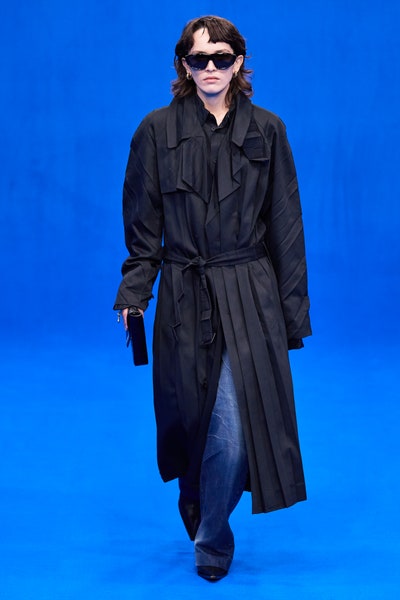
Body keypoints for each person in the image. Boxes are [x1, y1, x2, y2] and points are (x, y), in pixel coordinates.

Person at [114, 15, 311, 582]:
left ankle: (212, 541)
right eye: (198, 59)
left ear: (239, 62)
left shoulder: (268, 130)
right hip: (183, 293)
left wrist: (292, 316)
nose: (210, 68)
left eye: (221, 58)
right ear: (183, 65)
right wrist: (134, 293)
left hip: (249, 294)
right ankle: (196, 496)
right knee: (189, 419)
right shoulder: (155, 131)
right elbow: (143, 229)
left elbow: (287, 228)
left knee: (235, 421)